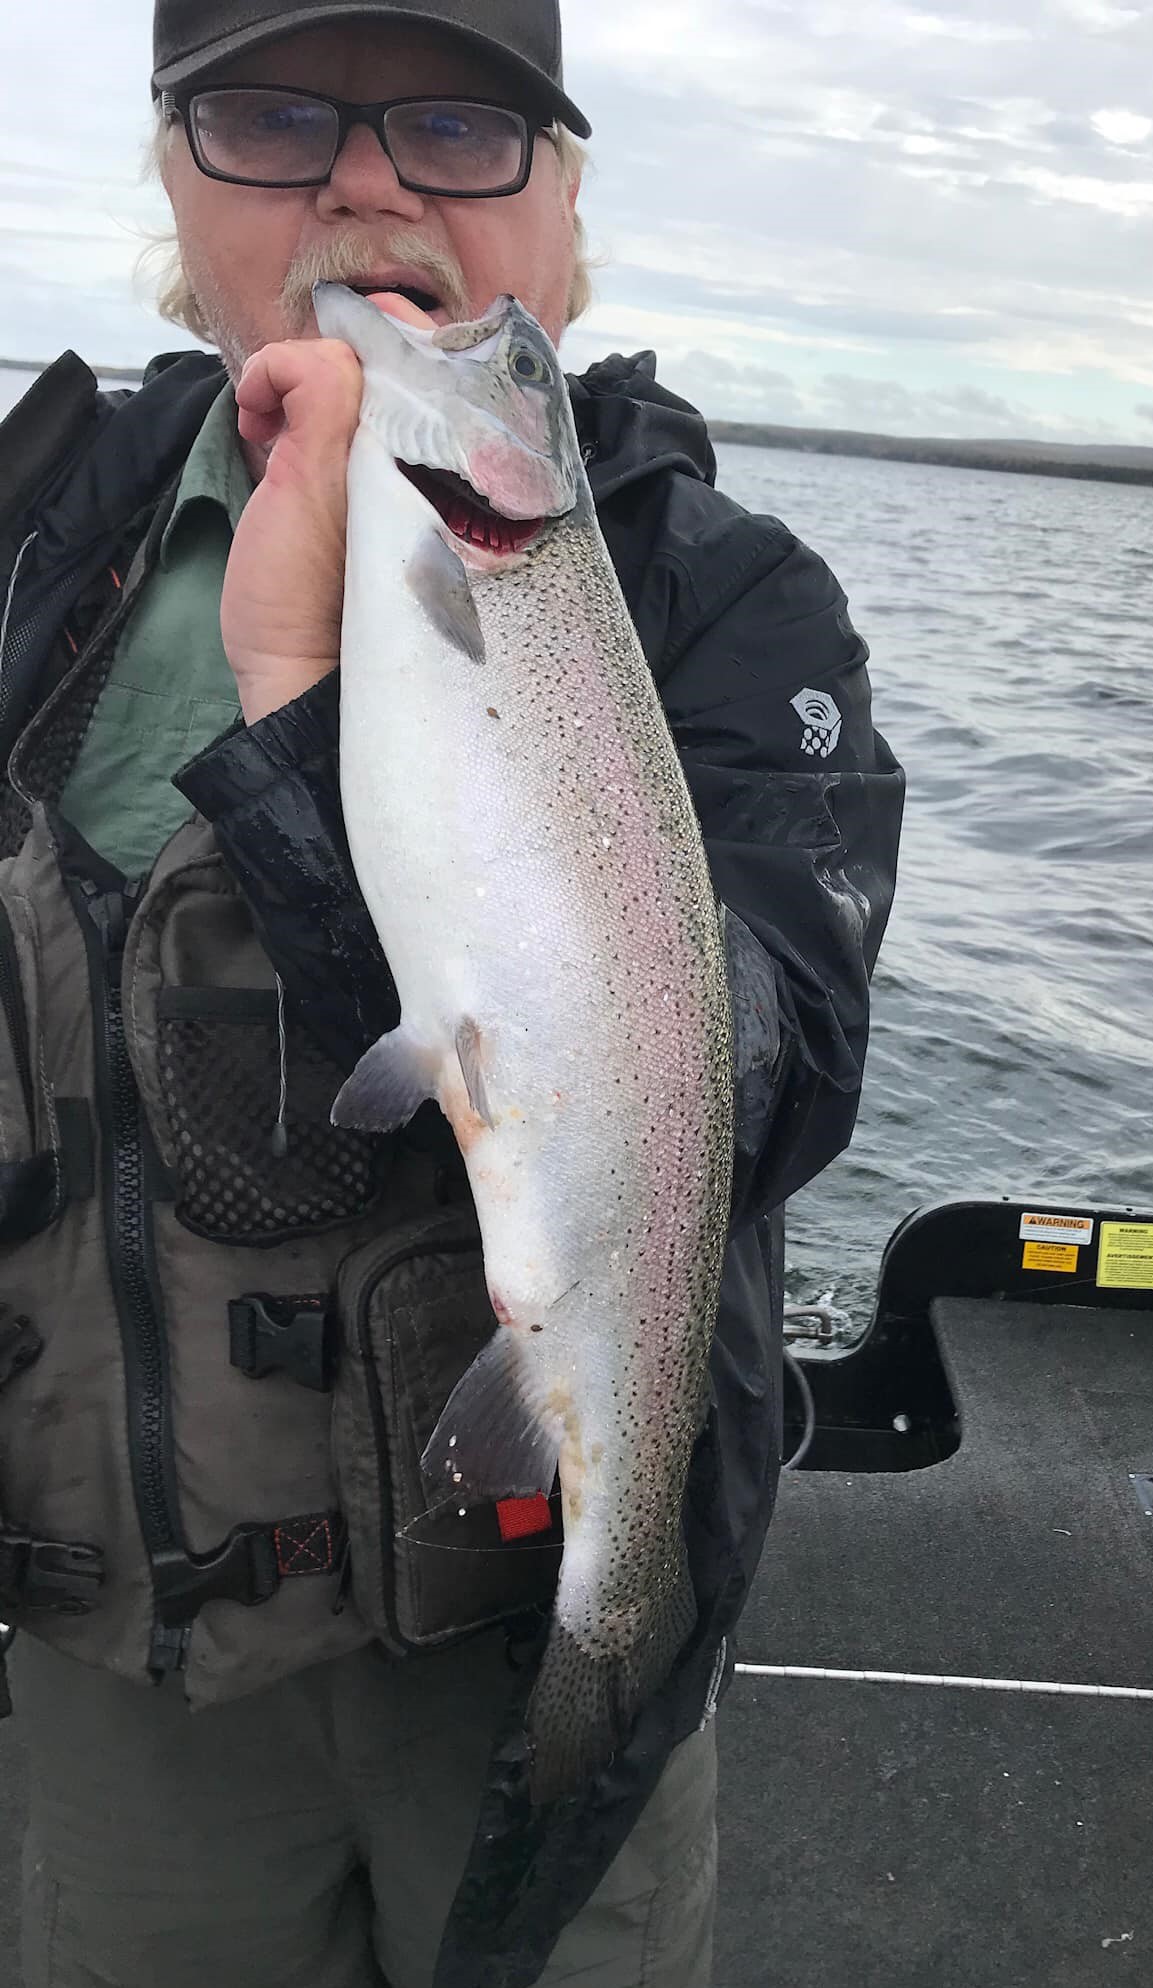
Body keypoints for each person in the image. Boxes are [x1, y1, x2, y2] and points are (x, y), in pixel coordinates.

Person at [0, 2, 904, 1983]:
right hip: (118, 1655)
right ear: (171, 181)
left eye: (460, 127)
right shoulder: (31, 541)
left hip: (520, 1630)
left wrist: (295, 700)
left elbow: (762, 1088)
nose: (368, 178)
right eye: (267, 115)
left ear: (564, 225)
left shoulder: (720, 604)